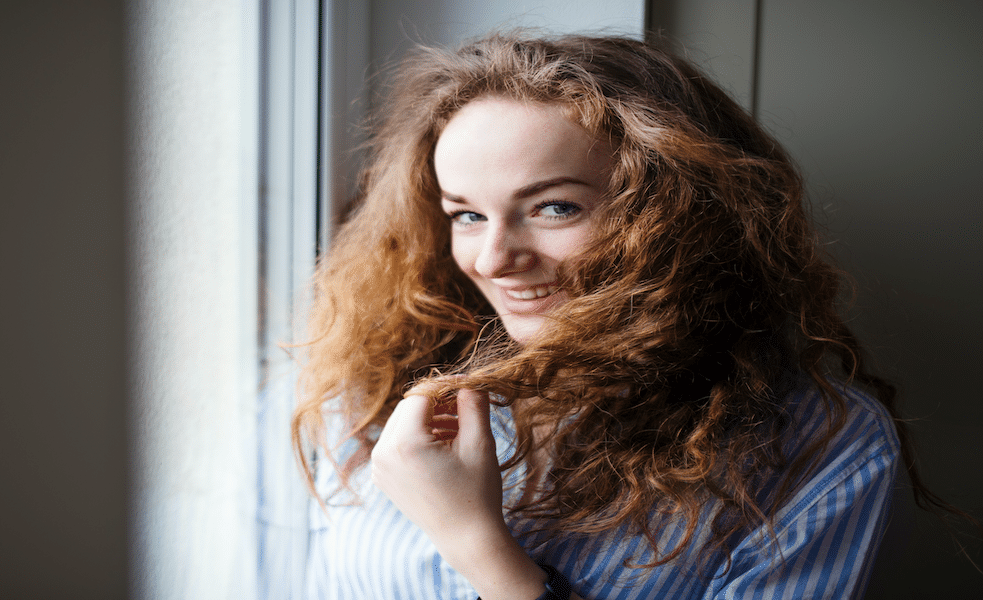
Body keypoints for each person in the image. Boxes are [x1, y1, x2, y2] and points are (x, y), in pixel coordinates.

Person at [289, 32, 940, 599]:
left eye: (554, 208)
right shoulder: (376, 390)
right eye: (467, 215)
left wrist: (480, 548)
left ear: (674, 215)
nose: (493, 259)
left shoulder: (816, 445)